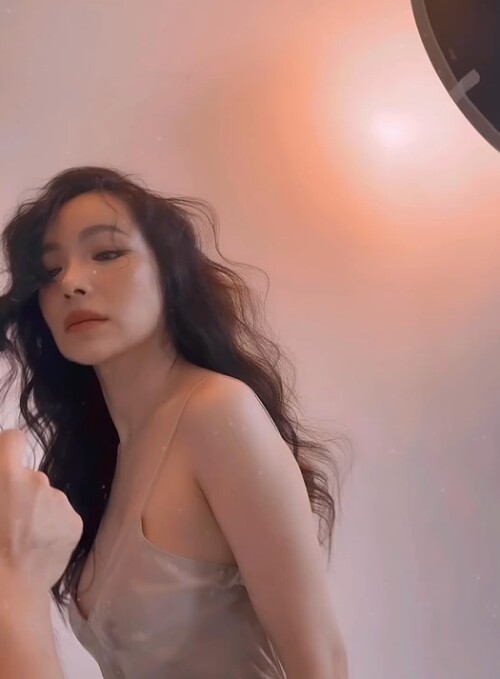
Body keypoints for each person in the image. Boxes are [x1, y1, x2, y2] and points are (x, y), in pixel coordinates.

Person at [0, 166, 350, 678]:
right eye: (50, 272)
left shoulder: (217, 411)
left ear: (169, 272)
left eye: (107, 253)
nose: (71, 283)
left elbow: (322, 663)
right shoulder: (105, 458)